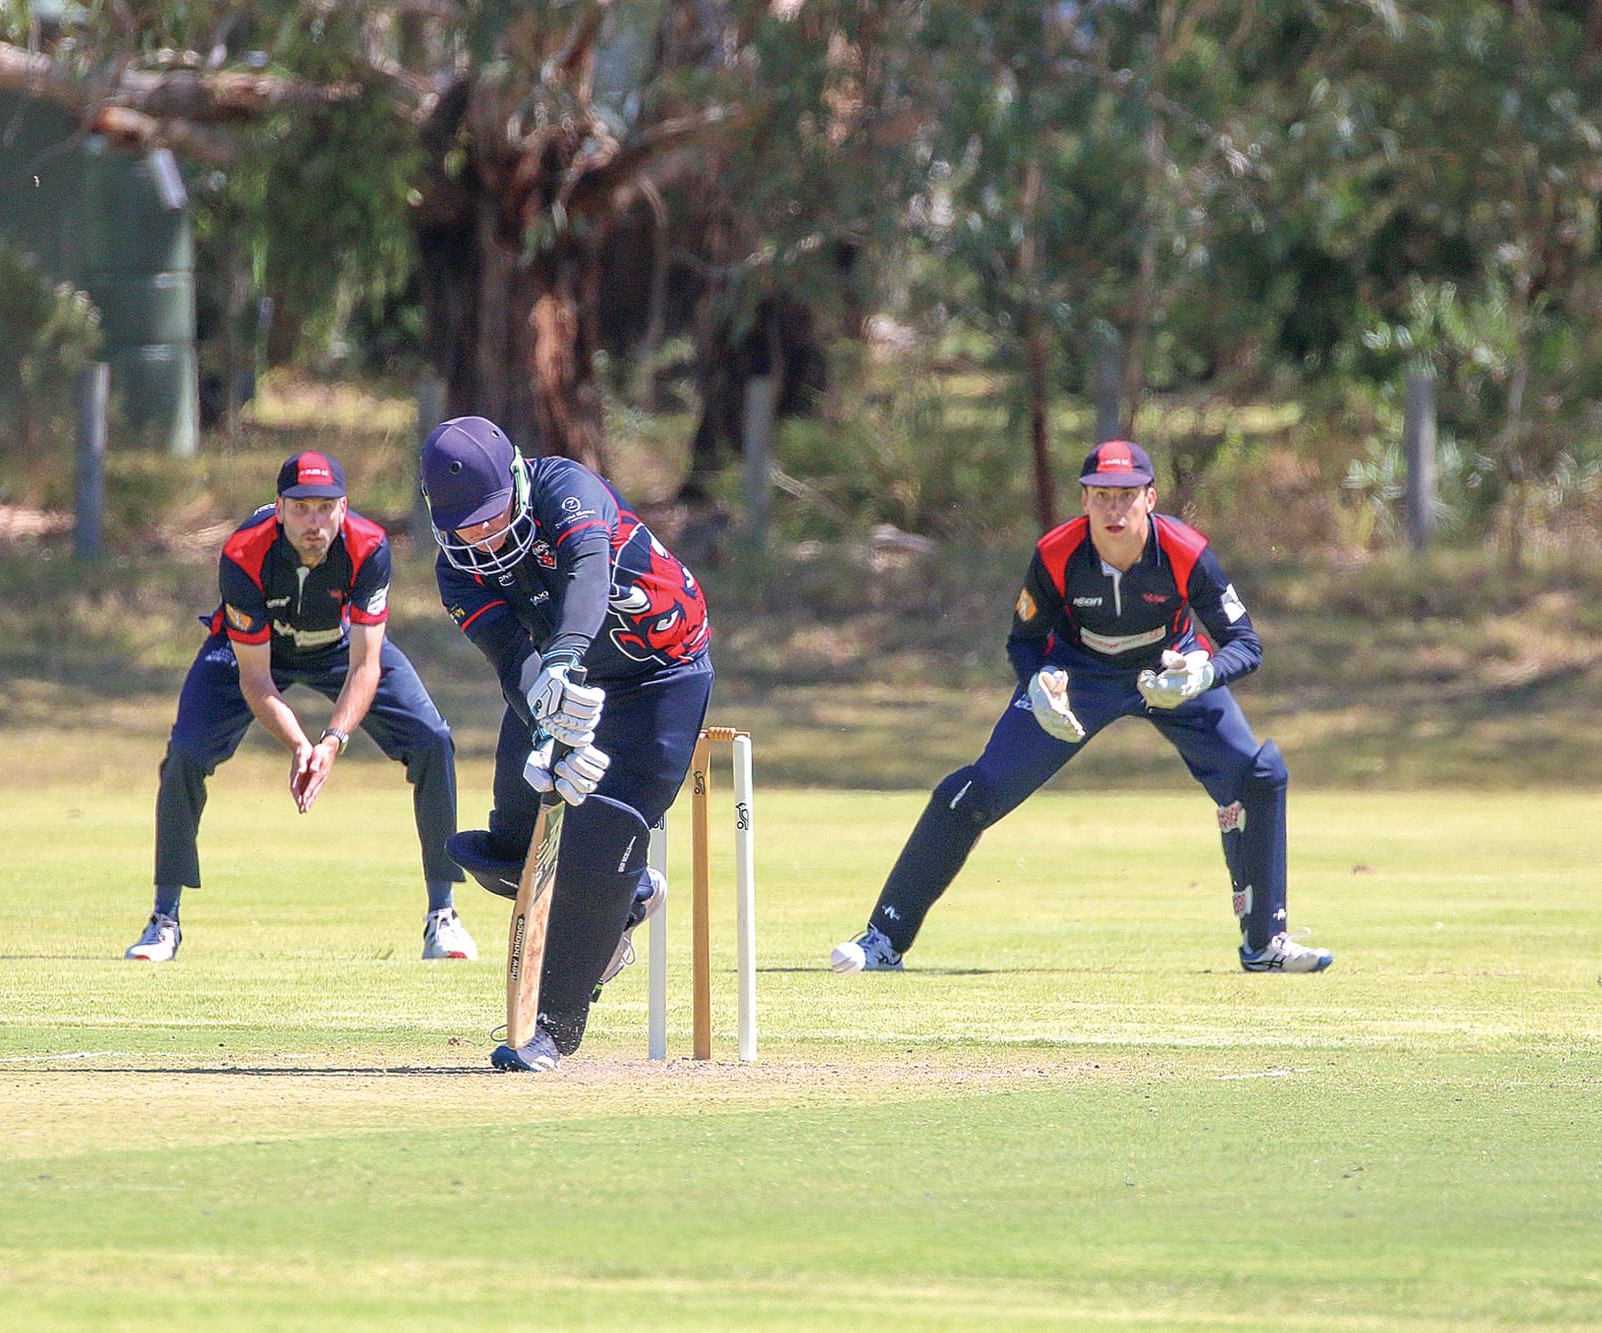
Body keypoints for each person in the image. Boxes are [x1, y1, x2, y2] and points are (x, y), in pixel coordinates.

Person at [831, 440, 1333, 976]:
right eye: (1101, 497)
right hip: (1079, 678)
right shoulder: (1056, 552)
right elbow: (1023, 640)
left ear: (1150, 497)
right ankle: (883, 940)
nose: (1114, 511)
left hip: (1174, 671)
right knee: (973, 793)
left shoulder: (1186, 551)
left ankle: (1266, 945)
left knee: (1256, 774)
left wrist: (1201, 674)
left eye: (1126, 496)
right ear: (1085, 499)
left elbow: (1245, 644)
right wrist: (1040, 683)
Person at [419, 416, 714, 1072]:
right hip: (559, 680)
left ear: (519, 483)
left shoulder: (567, 489)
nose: (486, 537)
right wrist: (551, 727)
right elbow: (507, 656)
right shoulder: (458, 573)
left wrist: (567, 659)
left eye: (494, 517)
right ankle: (630, 895)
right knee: (506, 847)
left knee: (601, 835)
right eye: (467, 525)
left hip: (661, 673)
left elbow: (586, 571)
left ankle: (551, 1025)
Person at [127, 450, 477, 963]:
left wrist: (332, 742)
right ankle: (164, 921)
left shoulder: (370, 547)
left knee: (432, 741)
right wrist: (298, 742)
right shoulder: (244, 554)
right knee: (186, 753)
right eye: (300, 508)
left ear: (343, 507)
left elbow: (365, 666)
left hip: (338, 650)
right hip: (249, 652)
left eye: (325, 507)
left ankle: (442, 917)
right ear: (278, 507)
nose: (314, 522)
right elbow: (255, 677)